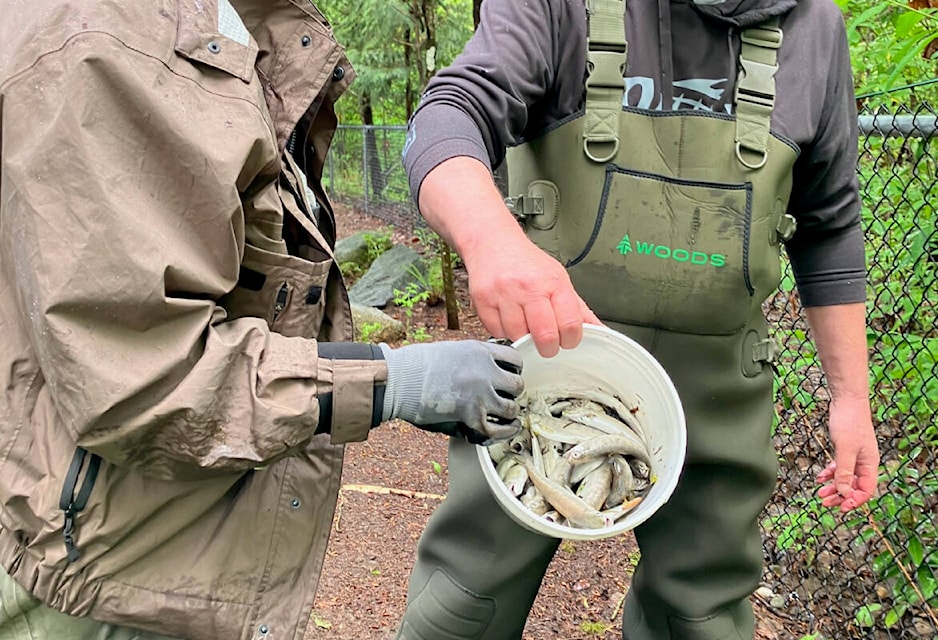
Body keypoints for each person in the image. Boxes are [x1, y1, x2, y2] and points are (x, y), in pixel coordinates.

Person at [0, 1, 526, 639]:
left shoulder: (212, 25)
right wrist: (400, 381)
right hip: (104, 581)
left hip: (163, 554)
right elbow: (146, 379)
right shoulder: (102, 43)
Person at [395, 0, 881, 638]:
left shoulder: (814, 28)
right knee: (464, 598)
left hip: (719, 398)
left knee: (700, 614)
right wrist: (492, 242)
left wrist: (851, 397)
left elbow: (830, 224)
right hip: (543, 370)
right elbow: (447, 115)